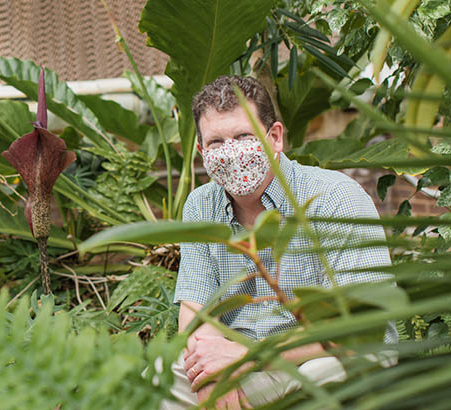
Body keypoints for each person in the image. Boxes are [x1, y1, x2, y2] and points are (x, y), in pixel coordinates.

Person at [163, 75, 396, 409]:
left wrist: (250, 356)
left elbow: (360, 324)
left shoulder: (334, 197)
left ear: (274, 137)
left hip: (336, 352)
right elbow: (194, 314)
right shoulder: (200, 206)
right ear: (202, 152)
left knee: (323, 375)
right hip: (241, 360)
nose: (231, 153)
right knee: (164, 376)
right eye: (216, 143)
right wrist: (215, 374)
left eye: (244, 136)